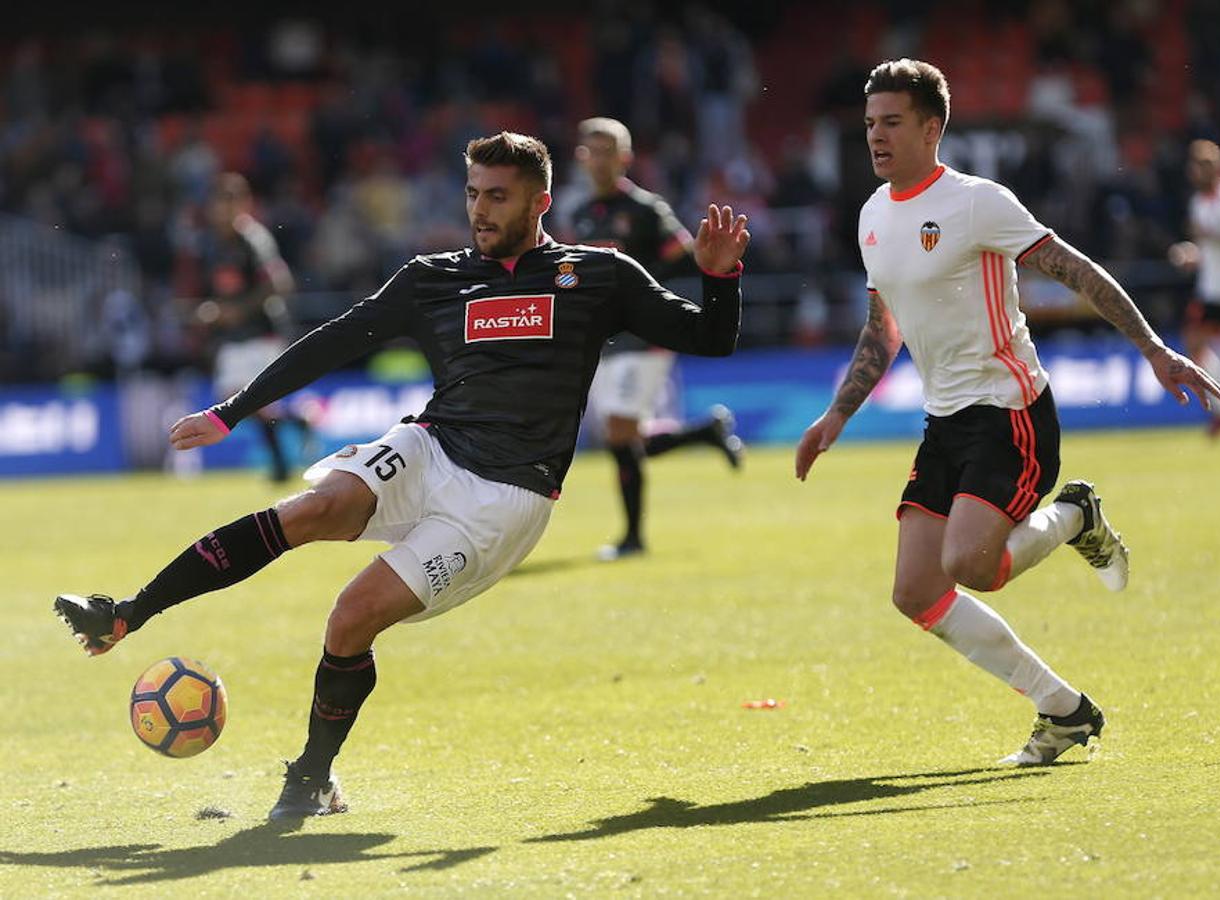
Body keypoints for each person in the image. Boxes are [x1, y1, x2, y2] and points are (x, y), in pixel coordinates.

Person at [55, 132, 750, 819]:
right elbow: (335, 339)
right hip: (430, 445)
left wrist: (720, 279)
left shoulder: (599, 276)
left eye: (498, 197)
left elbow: (710, 337)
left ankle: (312, 777)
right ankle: (126, 614)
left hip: (506, 497)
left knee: (349, 620)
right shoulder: (433, 278)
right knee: (313, 509)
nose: (481, 209)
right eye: (474, 192)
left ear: (540, 202)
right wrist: (233, 413)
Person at [795, 60, 1220, 767]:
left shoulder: (977, 203)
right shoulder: (874, 215)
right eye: (870, 124)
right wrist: (837, 416)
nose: (876, 137)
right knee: (914, 592)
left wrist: (1154, 349)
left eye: (892, 123)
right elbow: (884, 328)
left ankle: (1074, 514)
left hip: (1010, 408)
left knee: (971, 564)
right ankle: (1064, 710)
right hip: (944, 420)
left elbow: (1076, 269)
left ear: (932, 128)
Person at [571, 117, 744, 561]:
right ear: (581, 157)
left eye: (607, 149)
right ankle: (705, 432)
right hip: (606, 342)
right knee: (621, 438)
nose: (598, 158)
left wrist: (657, 301)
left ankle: (633, 538)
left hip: (646, 336)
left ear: (625, 158)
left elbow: (686, 257)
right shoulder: (580, 217)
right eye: (591, 149)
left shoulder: (647, 210)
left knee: (619, 431)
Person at [188, 172, 313, 481]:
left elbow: (280, 282)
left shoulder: (252, 238)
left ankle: (282, 459)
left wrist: (236, 311)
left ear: (245, 203)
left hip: (261, 332)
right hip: (234, 337)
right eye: (220, 201)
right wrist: (213, 311)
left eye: (232, 201)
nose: (225, 209)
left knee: (241, 400)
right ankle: (297, 424)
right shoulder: (213, 245)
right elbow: (224, 290)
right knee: (238, 401)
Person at [1168, 139, 1220, 436]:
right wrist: (1193, 254)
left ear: (1216, 169)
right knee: (1194, 342)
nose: (1196, 173)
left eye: (1203, 167)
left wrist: (1210, 236)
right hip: (1212, 290)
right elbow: (1211, 247)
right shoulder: (1198, 202)